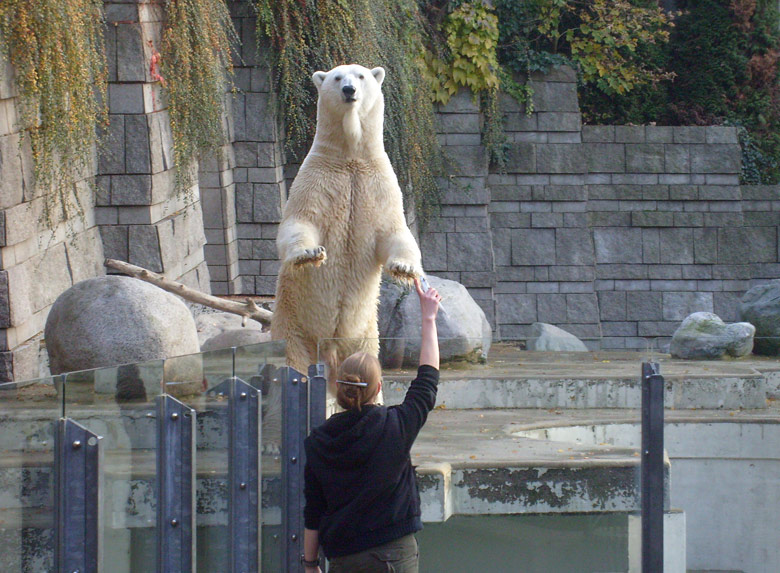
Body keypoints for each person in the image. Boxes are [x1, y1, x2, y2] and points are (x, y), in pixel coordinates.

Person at [301, 277, 442, 572]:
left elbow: (313, 510)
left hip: (344, 557)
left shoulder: (318, 442)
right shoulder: (395, 426)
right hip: (394, 553)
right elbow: (427, 381)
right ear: (378, 389)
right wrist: (428, 318)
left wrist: (310, 563)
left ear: (338, 390)